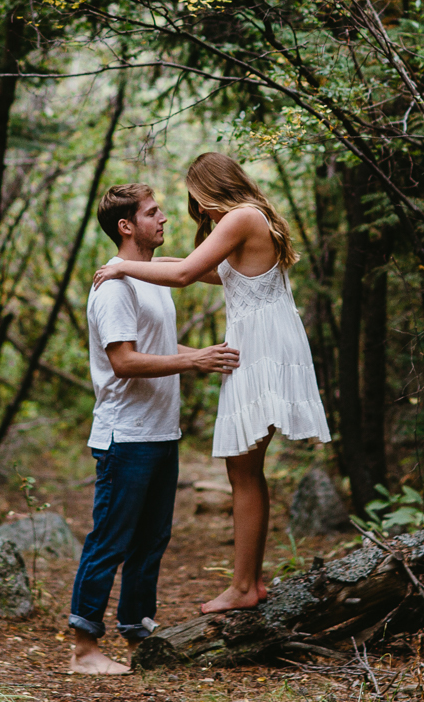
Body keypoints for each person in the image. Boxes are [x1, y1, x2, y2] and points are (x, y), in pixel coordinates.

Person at [91, 153, 330, 614]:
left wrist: (121, 267)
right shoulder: (251, 218)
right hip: (267, 342)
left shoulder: (241, 217)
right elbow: (197, 268)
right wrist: (132, 264)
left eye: (193, 199)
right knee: (245, 469)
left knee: (243, 470)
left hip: (260, 349)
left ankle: (244, 587)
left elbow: (180, 275)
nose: (191, 210)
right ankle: (250, 582)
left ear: (207, 189)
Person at [68, 182, 240, 675]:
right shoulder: (114, 287)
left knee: (151, 542)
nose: (163, 218)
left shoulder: (148, 278)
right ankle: (84, 647)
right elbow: (123, 362)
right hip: (126, 436)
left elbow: (158, 340)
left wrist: (205, 357)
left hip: (161, 432)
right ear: (126, 226)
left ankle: (138, 632)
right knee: (111, 540)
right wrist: (192, 362)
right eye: (153, 212)